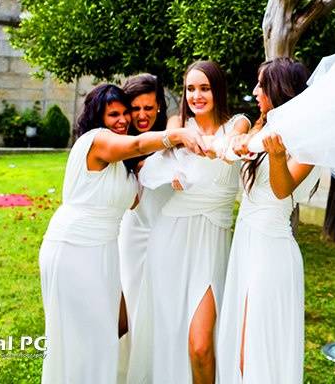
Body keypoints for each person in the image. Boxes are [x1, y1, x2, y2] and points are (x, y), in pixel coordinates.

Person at [38, 83, 197, 384]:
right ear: (98, 116)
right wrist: (177, 134)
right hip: (75, 246)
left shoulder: (122, 162)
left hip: (105, 249)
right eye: (114, 114)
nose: (124, 120)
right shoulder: (96, 141)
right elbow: (138, 146)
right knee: (89, 336)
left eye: (126, 113)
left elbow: (136, 194)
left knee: (118, 326)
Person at [131, 60, 250, 384]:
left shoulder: (238, 124)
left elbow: (230, 147)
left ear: (218, 90)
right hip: (170, 237)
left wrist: (217, 147)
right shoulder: (177, 125)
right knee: (170, 332)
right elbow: (148, 168)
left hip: (211, 239)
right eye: (191, 89)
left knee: (200, 344)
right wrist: (174, 174)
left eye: (204, 88)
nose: (197, 95)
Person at [216, 58, 318, 384]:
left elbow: (282, 189)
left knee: (257, 348)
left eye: (262, 84)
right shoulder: (259, 127)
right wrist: (237, 138)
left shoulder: (308, 140)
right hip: (245, 241)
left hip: (271, 249)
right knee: (239, 343)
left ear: (278, 88)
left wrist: (276, 157)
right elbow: (232, 147)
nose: (255, 90)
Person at [116, 74, 171, 374]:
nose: (142, 115)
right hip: (133, 232)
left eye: (149, 108)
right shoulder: (121, 144)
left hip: (166, 234)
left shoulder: (170, 141)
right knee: (133, 304)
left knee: (162, 308)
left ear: (159, 107)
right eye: (135, 108)